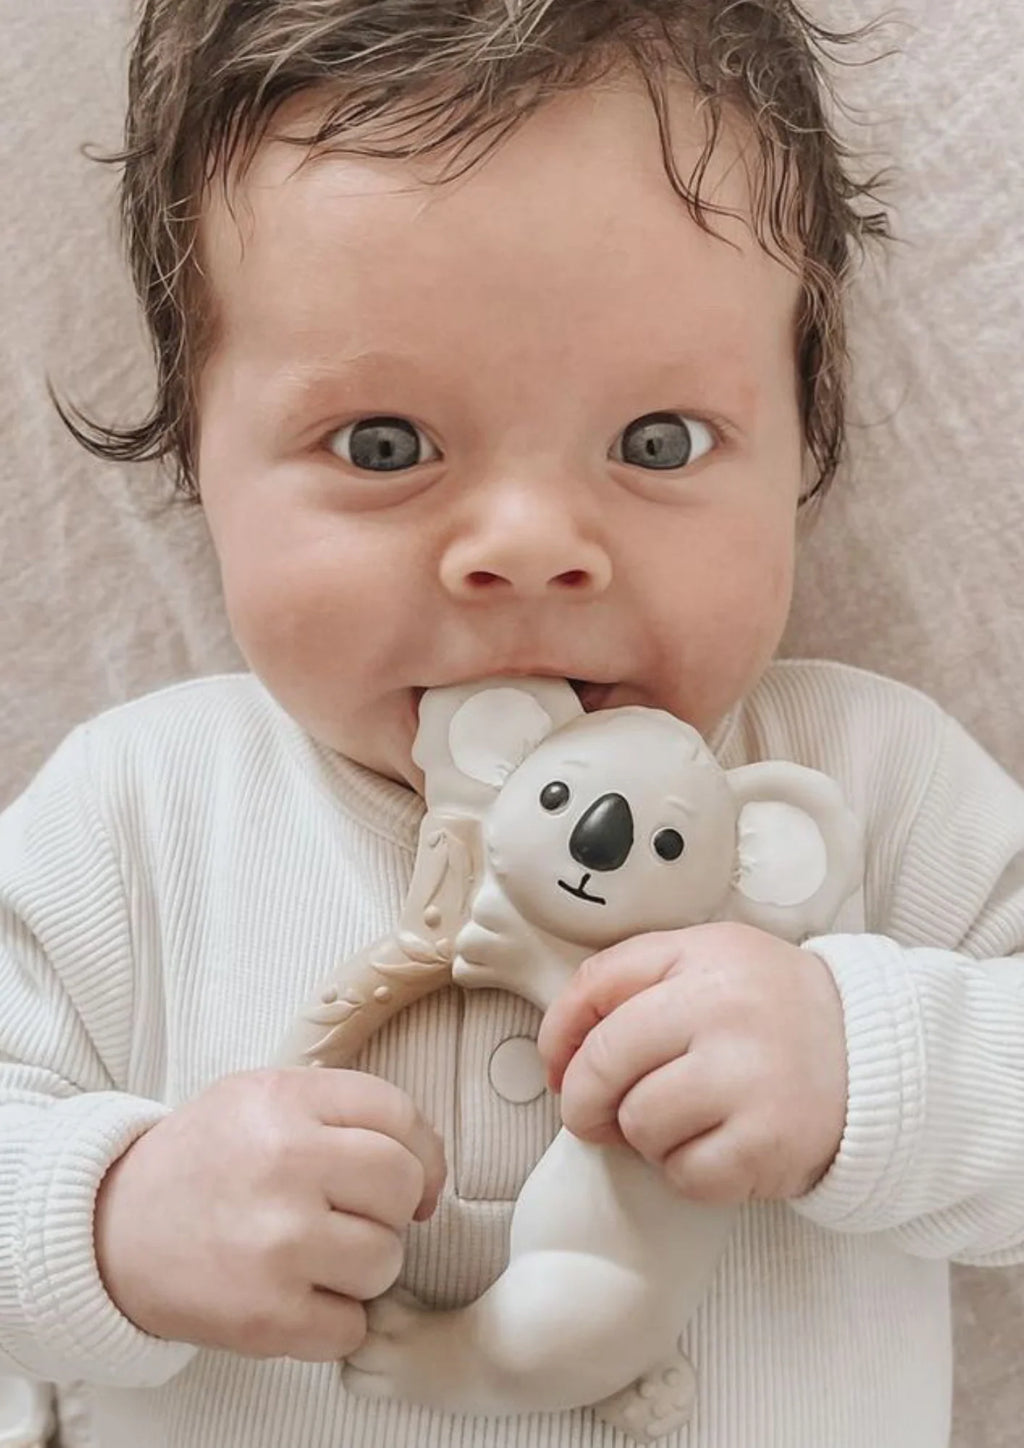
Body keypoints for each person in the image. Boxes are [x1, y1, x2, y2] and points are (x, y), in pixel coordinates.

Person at [1, 2, 1022, 1445]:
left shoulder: (873, 783)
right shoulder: (141, 811)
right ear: (196, 456)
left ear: (807, 442)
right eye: (384, 446)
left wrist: (875, 1068)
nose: (533, 547)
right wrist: (108, 1218)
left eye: (658, 442)